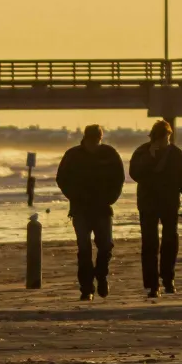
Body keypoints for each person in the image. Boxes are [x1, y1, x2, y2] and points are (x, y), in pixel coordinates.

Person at [55, 124, 125, 300]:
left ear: (100, 139)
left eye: (97, 140)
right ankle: (86, 288)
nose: (94, 143)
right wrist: (74, 196)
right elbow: (61, 178)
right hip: (80, 209)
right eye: (91, 140)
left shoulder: (109, 154)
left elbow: (119, 178)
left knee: (106, 246)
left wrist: (111, 198)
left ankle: (101, 277)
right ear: (85, 139)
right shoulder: (73, 155)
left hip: (103, 208)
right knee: (84, 249)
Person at [129, 120, 182, 298]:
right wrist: (149, 157)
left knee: (170, 242)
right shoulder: (142, 151)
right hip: (147, 203)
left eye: (165, 137)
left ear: (169, 135)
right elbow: (134, 174)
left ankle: (168, 279)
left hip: (169, 203)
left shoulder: (176, 154)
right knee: (149, 244)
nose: (163, 141)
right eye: (159, 138)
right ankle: (152, 285)